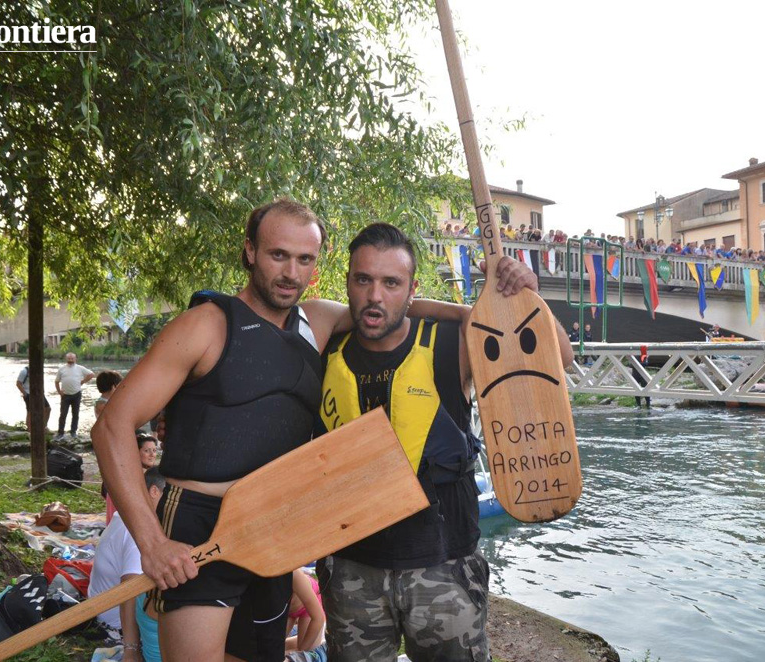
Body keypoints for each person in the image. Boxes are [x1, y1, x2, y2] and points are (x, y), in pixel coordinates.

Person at [92, 199, 525, 662]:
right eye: (278, 255)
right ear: (250, 251)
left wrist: (486, 305)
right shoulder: (205, 325)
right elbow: (112, 426)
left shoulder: (315, 321)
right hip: (201, 523)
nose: (290, 272)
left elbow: (388, 307)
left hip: (273, 525)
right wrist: (152, 544)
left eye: (304, 259)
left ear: (316, 267)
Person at [315, 224, 573, 662]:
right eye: (363, 280)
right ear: (348, 283)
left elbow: (558, 358)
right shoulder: (324, 344)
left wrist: (528, 296)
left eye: (391, 283)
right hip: (352, 568)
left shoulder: (453, 343)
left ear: (412, 289)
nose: (375, 296)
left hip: (443, 565)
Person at [87, 467, 167, 661]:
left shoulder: (130, 516)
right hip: (115, 620)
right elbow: (130, 590)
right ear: (154, 492)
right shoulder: (139, 531)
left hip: (101, 608)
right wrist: (131, 650)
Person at [284, 568, 325, 658]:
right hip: (288, 611)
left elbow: (319, 618)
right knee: (273, 645)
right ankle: (316, 637)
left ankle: (321, 639)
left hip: (308, 608)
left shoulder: (294, 574)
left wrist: (300, 652)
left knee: (307, 649)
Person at [54, 353, 95, 440]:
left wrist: (83, 381)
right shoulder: (61, 369)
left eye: (72, 358)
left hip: (76, 394)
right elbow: (56, 381)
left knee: (75, 414)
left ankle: (73, 432)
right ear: (66, 359)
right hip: (65, 395)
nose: (70, 360)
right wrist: (59, 392)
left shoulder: (80, 368)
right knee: (63, 414)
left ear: (75, 359)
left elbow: (91, 374)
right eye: (69, 358)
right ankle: (60, 433)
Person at [15, 365, 50, 433]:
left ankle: (43, 427)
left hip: (39, 393)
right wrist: (25, 394)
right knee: (30, 412)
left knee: (47, 409)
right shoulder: (24, 371)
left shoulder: (39, 370)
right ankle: (30, 431)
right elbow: (18, 383)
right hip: (28, 393)